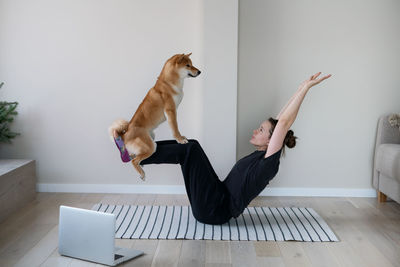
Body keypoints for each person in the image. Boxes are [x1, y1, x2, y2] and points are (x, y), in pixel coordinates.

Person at [137, 72, 332, 225]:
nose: (256, 130)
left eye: (262, 130)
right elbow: (280, 120)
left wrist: (306, 89)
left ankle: (138, 153)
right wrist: (299, 89)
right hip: (214, 200)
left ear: (272, 141)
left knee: (190, 151)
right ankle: (140, 149)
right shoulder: (263, 154)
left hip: (214, 210)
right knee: (192, 145)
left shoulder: (268, 164)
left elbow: (283, 124)